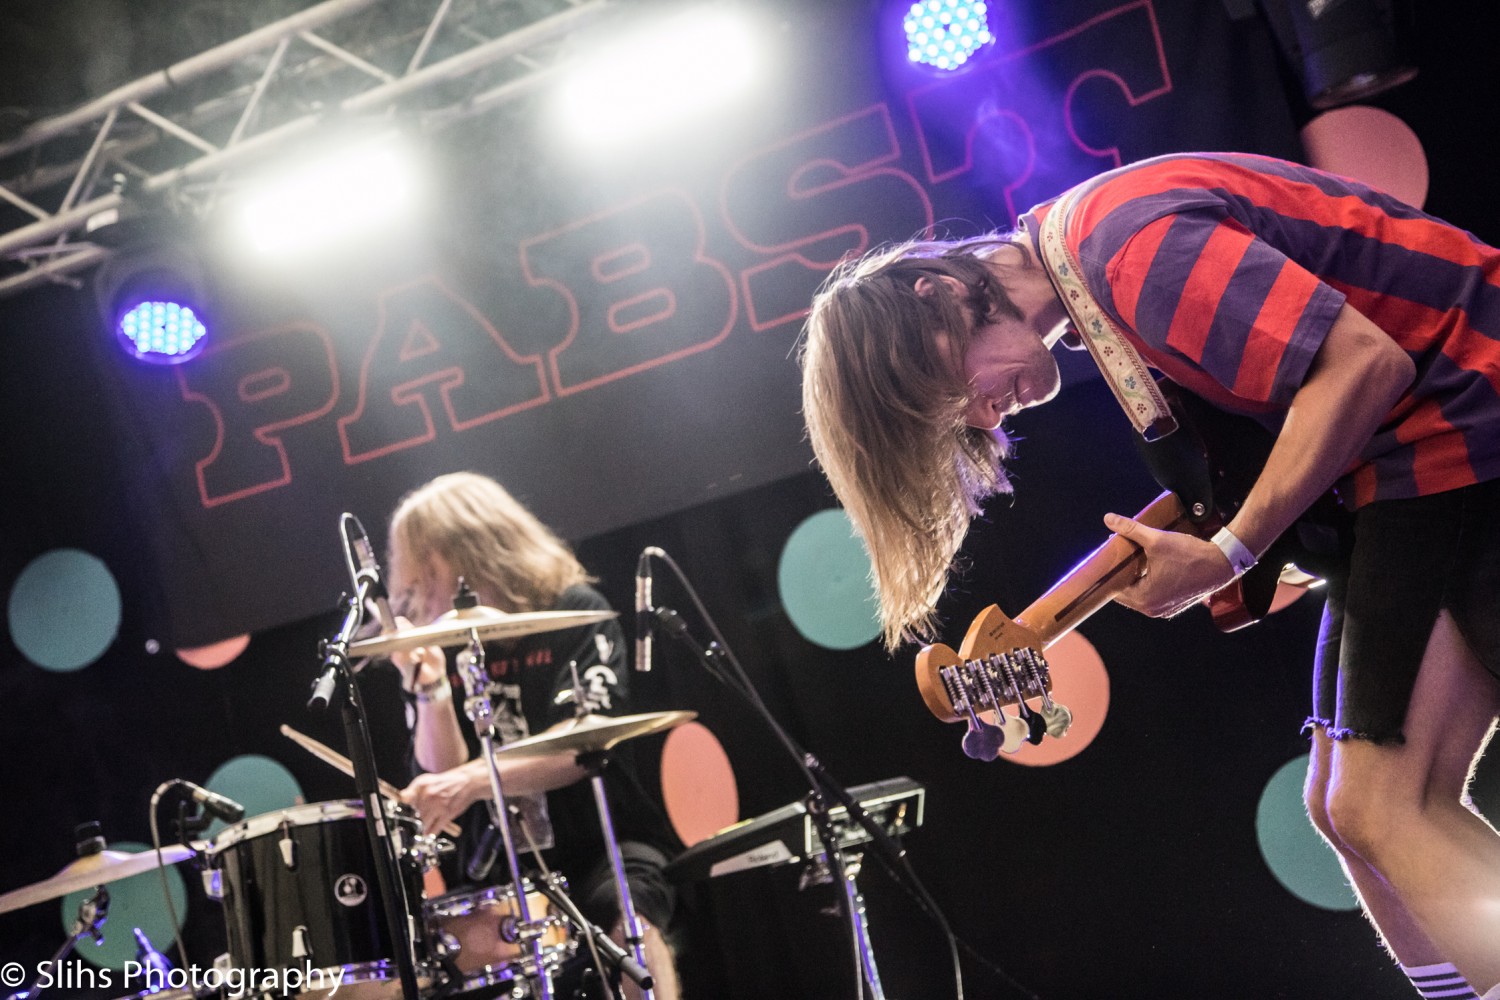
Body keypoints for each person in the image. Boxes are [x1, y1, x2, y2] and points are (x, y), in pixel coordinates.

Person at [798, 152, 1500, 998]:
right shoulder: (1097, 282)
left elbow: (1364, 365)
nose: (986, 417)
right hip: (1416, 453)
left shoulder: (1125, 248)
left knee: (1380, 804)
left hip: (1461, 415)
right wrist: (1245, 545)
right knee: (1337, 806)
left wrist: (1234, 550)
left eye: (956, 397)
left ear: (939, 295)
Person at [382, 471, 681, 1000]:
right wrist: (430, 690)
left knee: (628, 922)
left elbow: (586, 742)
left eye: (425, 574)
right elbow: (442, 773)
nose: (418, 596)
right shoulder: (442, 641)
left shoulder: (573, 611)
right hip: (496, 865)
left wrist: (474, 779)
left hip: (600, 842)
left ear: (473, 551)